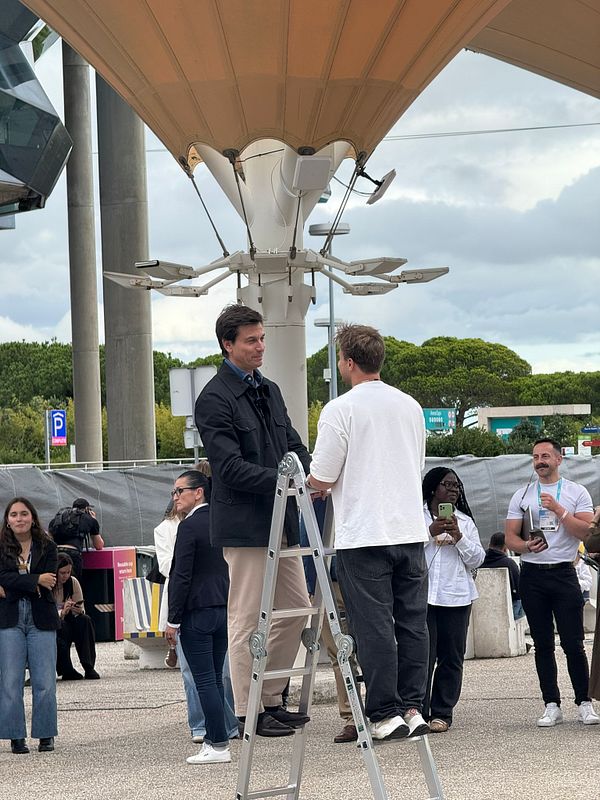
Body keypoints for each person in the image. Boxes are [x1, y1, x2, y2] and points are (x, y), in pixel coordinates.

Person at [308, 323, 430, 741]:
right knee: (413, 622)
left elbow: (322, 475)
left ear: (347, 362)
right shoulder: (410, 406)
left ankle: (382, 712)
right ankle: (414, 707)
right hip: (410, 528)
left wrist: (308, 485)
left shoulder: (340, 409)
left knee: (373, 624)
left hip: (364, 533)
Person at [195, 304, 312, 737]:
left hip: (282, 522)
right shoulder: (213, 398)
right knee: (246, 618)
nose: (261, 346)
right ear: (228, 345)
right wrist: (285, 482)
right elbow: (228, 468)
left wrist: (305, 472)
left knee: (297, 609)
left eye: (262, 338)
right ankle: (247, 711)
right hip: (245, 527)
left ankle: (269, 696)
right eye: (251, 340)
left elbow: (294, 443)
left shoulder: (271, 390)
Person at [505, 438, 600, 727]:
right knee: (543, 643)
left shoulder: (575, 492)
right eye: (535, 457)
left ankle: (584, 702)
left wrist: (559, 510)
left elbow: (587, 533)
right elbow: (510, 537)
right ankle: (551, 703)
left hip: (563, 572)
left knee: (573, 642)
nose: (539, 461)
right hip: (533, 574)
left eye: (545, 455)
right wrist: (524, 547)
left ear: (559, 459)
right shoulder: (522, 494)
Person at [154, 487, 238, 745]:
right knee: (208, 676)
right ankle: (209, 727)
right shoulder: (170, 528)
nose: (175, 496)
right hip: (220, 603)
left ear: (198, 492)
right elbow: (170, 567)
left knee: (208, 677)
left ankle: (218, 734)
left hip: (197, 607)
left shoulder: (191, 526)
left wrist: (173, 620)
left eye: (179, 490)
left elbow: (180, 574)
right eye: (172, 492)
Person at [422, 467, 485, 733]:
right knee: (421, 656)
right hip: (422, 596)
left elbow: (478, 559)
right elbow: (404, 549)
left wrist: (458, 538)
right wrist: (429, 531)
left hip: (456, 597)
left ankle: (442, 713)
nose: (454, 490)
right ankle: (416, 710)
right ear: (434, 488)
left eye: (457, 486)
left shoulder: (465, 522)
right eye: (448, 485)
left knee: (451, 657)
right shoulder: (417, 516)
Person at [0, 497, 59, 754]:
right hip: (9, 619)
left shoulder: (48, 546)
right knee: (11, 680)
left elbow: (51, 580)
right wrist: (35, 581)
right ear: (7, 520)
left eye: (24, 514)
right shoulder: (1, 547)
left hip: (41, 618)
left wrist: (12, 586)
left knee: (45, 681)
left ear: (32, 517)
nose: (19, 519)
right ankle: (15, 736)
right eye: (14, 515)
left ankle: (45, 734)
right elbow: (3, 576)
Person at [53, 553, 99, 680]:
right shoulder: (50, 584)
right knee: (62, 627)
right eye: (62, 573)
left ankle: (88, 666)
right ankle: (67, 669)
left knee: (85, 621)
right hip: (56, 621)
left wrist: (75, 609)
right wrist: (62, 611)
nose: (65, 576)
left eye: (68, 572)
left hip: (71, 617)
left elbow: (81, 607)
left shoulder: (73, 582)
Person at [48, 498, 104, 580]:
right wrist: (94, 520)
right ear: (87, 509)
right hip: (73, 554)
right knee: (73, 584)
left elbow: (49, 540)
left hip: (56, 554)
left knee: (56, 584)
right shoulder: (89, 519)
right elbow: (99, 545)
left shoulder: (57, 519)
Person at [481, 531, 525, 620]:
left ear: (489, 544)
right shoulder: (509, 564)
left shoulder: (480, 561)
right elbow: (518, 588)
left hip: (484, 605)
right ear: (505, 547)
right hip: (509, 608)